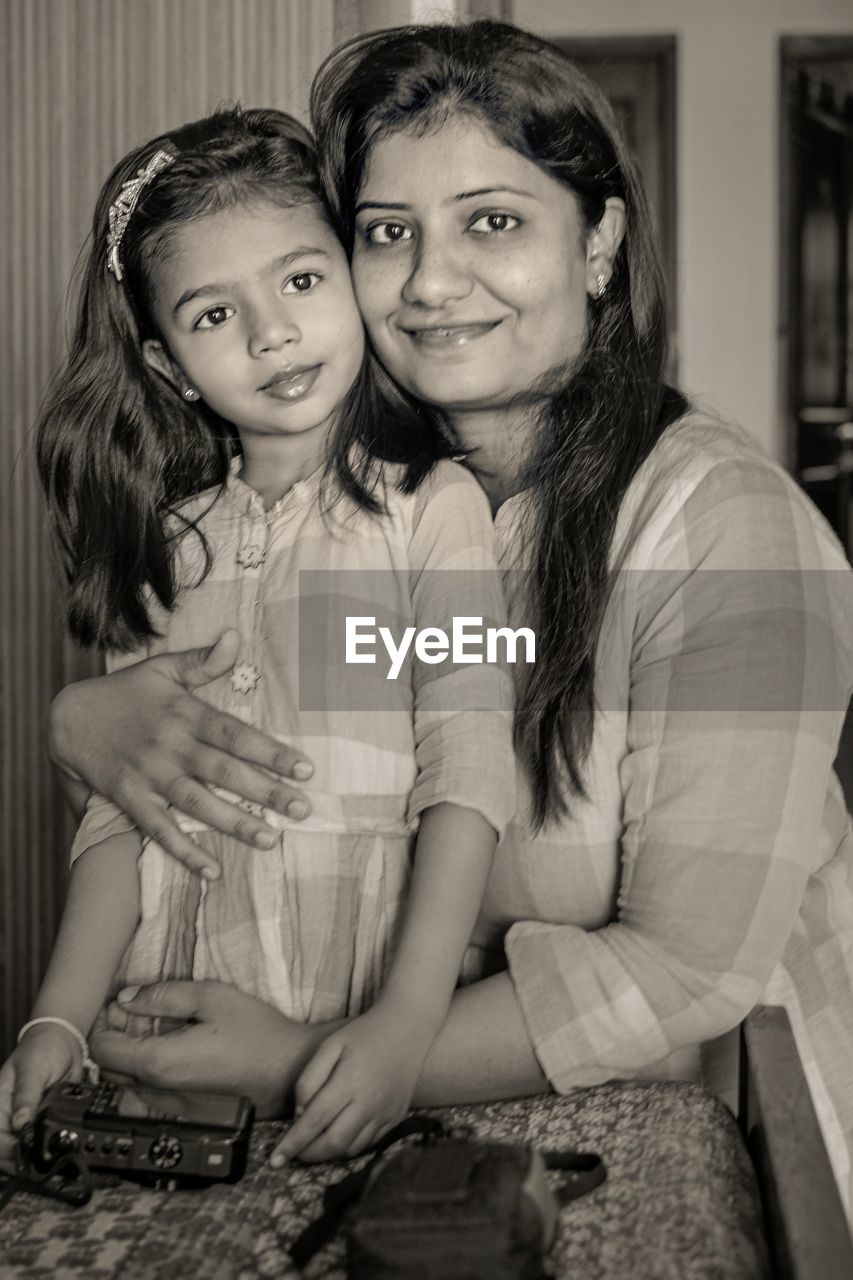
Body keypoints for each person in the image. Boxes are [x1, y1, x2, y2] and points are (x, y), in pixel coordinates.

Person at [21, 19, 853, 1217]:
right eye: (386, 233)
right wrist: (83, 721)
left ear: (600, 241)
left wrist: (301, 1050)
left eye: (494, 221)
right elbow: (248, 801)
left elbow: (685, 968)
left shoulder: (731, 534)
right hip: (417, 1148)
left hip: (737, 1156)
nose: (430, 280)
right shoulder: (370, 515)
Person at [0, 105, 517, 1169]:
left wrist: (407, 1022)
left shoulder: (436, 509)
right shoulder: (167, 549)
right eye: (211, 314)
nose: (270, 333)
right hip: (162, 1046)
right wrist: (55, 1017)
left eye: (299, 280)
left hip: (357, 1025)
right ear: (167, 362)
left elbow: (468, 766)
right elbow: (119, 818)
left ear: (347, 276)